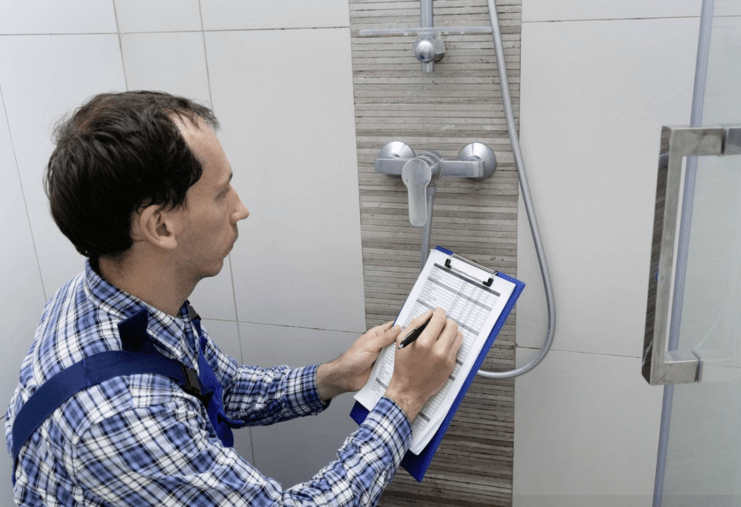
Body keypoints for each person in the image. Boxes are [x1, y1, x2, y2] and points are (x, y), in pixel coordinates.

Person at [4, 91, 462, 506]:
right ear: (160, 226)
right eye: (222, 193)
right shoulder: (122, 418)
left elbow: (216, 387)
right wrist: (404, 398)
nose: (241, 209)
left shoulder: (108, 296)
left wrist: (332, 377)